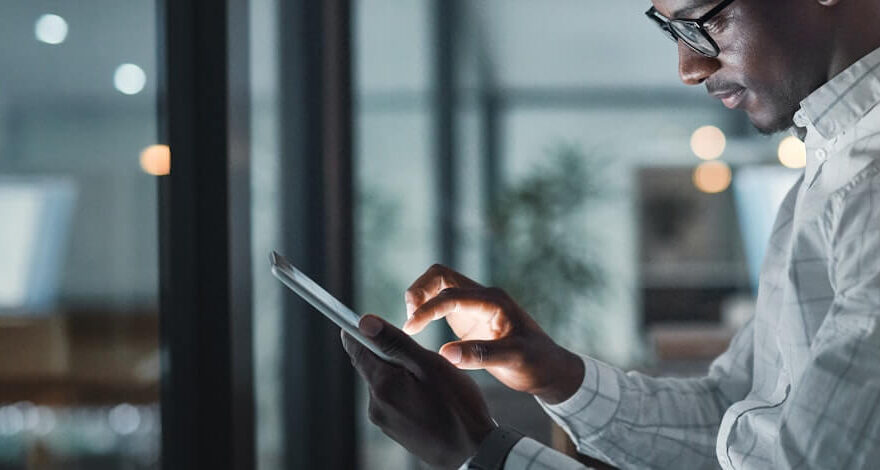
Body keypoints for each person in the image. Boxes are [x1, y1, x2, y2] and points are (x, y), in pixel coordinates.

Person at [341, 0, 880, 468]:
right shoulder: (821, 184)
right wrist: (555, 374)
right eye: (672, 31)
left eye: (700, 21)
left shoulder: (867, 189)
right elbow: (732, 414)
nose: (689, 67)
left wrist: (480, 451)